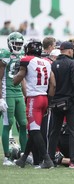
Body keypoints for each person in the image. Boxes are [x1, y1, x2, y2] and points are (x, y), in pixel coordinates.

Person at [13, 38, 55, 169]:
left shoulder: (26, 60)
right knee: (33, 130)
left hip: (34, 99)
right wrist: (49, 101)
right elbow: (53, 84)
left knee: (35, 130)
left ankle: (47, 160)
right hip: (44, 97)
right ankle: (23, 158)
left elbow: (17, 79)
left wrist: (14, 78)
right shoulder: (47, 62)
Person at [48, 41, 74, 169]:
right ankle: (73, 162)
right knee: (73, 132)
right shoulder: (72, 64)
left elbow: (51, 85)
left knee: (54, 132)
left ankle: (50, 159)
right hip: (70, 103)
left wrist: (50, 101)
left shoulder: (53, 64)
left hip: (55, 103)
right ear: (69, 51)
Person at [0, 32, 27, 166]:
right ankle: (7, 157)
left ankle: (24, 155)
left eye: (19, 44)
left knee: (23, 123)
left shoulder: (22, 56)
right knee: (8, 123)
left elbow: (22, 78)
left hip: (18, 94)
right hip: (7, 93)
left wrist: (25, 94)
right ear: (10, 43)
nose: (17, 46)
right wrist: (0, 98)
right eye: (15, 43)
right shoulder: (4, 55)